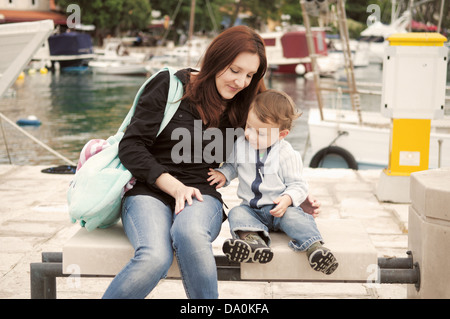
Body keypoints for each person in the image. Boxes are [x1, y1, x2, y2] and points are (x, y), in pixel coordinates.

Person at [102, 25, 268, 299]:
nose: (240, 82)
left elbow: (270, 149)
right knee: (155, 256)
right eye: (235, 70)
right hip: (149, 190)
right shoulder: (169, 86)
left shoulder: (245, 104)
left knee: (189, 234)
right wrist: (174, 187)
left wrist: (293, 193)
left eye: (250, 75)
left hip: (202, 195)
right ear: (216, 60)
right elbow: (131, 146)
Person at [207, 89, 338, 275]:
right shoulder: (241, 146)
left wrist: (287, 199)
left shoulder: (286, 154)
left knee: (296, 219)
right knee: (236, 213)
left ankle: (315, 247)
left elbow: (298, 185)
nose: (251, 135)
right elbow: (232, 167)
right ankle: (255, 242)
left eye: (260, 133)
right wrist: (223, 174)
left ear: (281, 134)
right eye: (249, 127)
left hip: (281, 210)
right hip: (251, 209)